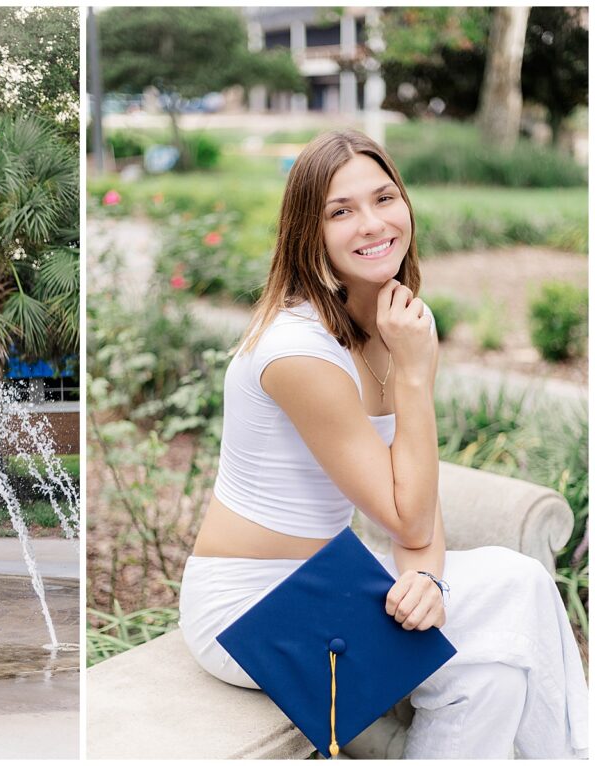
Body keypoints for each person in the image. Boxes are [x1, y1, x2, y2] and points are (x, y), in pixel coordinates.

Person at [178, 130, 587, 758]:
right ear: (309, 234)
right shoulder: (299, 353)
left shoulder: (388, 326)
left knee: (494, 670)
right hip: (253, 610)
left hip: (329, 585)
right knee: (518, 582)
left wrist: (427, 576)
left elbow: (416, 505)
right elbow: (404, 512)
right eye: (341, 211)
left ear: (406, 207)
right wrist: (418, 373)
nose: (371, 223)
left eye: (383, 198)